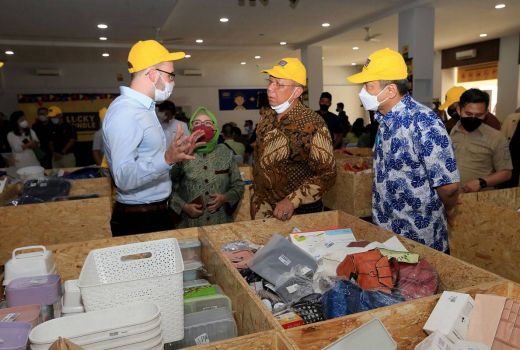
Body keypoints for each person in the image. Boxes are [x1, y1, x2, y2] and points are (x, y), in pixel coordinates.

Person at [347, 48, 460, 253]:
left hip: (418, 237)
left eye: (368, 85)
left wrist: (450, 209)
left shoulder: (424, 122)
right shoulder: (384, 120)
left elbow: (449, 186)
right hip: (387, 231)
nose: (363, 92)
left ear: (390, 90)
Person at [103, 40, 204, 236]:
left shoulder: (145, 110)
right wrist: (167, 159)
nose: (173, 81)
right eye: (170, 76)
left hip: (156, 213)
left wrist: (176, 155)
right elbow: (123, 177)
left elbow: (150, 160)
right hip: (139, 220)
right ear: (151, 74)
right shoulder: (126, 112)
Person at [252, 57, 337, 221]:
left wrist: (293, 200)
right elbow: (258, 162)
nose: (270, 88)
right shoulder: (266, 119)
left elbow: (328, 174)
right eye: (270, 82)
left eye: (279, 84)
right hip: (264, 210)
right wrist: (255, 197)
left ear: (297, 92)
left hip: (299, 215)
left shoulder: (313, 124)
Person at [170, 107, 245, 227]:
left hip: (221, 224)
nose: (202, 127)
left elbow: (238, 186)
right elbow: (168, 188)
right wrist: (184, 206)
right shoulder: (182, 152)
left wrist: (225, 198)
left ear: (215, 128)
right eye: (197, 123)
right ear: (190, 128)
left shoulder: (225, 152)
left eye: (207, 123)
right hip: (190, 225)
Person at [450, 89, 512, 192]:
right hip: (448, 198)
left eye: (479, 115)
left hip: (479, 200)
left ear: (486, 113)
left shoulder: (496, 137)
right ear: (459, 110)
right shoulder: (448, 133)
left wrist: (482, 182)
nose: (473, 118)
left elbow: (506, 172)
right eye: (468, 114)